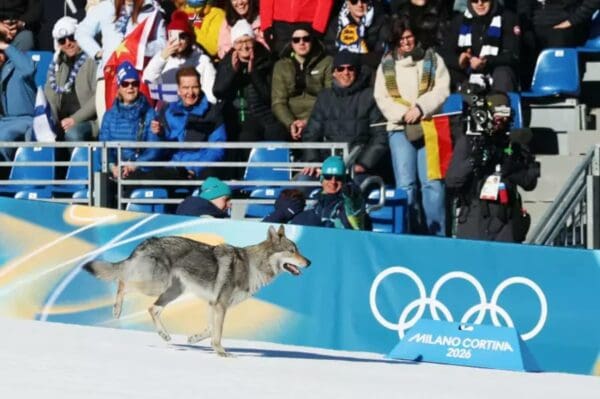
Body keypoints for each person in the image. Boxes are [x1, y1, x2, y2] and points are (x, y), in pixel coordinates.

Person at [373, 17, 450, 236]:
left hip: (428, 125)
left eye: (409, 37)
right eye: (401, 39)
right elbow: (382, 97)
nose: (406, 42)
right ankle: (408, 232)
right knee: (406, 185)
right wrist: (403, 114)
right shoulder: (386, 65)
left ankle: (437, 235)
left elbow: (441, 90)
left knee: (432, 184)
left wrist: (421, 107)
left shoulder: (432, 59)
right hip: (399, 128)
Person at [445, 91, 540, 242]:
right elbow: (452, 181)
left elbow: (530, 182)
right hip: (473, 214)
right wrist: (474, 160)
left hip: (505, 216)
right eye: (497, 115)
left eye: (504, 115)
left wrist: (508, 164)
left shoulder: (513, 143)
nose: (499, 121)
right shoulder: (469, 142)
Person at [301, 50, 388, 185]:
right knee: (300, 185)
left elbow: (380, 136)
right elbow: (311, 133)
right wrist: (313, 161)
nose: (345, 73)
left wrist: (364, 164)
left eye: (350, 68)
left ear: (357, 71)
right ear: (334, 72)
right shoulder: (325, 97)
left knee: (352, 192)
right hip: (327, 167)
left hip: (357, 168)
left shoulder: (370, 96)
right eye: (340, 69)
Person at [129, 66, 226, 182]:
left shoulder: (213, 113)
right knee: (135, 179)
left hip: (200, 171)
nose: (190, 92)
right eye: (186, 88)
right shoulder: (167, 110)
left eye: (194, 87)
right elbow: (157, 150)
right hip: (171, 169)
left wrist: (195, 169)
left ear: (200, 87)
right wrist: (160, 135)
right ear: (179, 90)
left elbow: (217, 150)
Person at [75, 0, 166, 123]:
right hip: (108, 75)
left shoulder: (151, 9)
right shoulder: (106, 7)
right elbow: (81, 32)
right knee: (109, 127)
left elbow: (162, 44)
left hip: (137, 79)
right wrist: (97, 53)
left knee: (138, 127)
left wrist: (140, 49)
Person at [214, 19, 287, 144]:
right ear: (233, 44)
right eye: (239, 42)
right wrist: (232, 71)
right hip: (237, 117)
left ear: (254, 41)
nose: (244, 46)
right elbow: (218, 92)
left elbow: (269, 96)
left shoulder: (267, 59)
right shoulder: (227, 61)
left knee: (276, 134)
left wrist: (253, 72)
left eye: (247, 41)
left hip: (265, 116)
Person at [99, 61, 161, 180]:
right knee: (99, 186)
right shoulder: (109, 116)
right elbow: (103, 148)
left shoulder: (150, 113)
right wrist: (113, 168)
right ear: (119, 86)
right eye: (125, 83)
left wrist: (134, 166)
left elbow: (154, 149)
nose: (130, 87)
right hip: (114, 173)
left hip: (140, 172)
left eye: (135, 83)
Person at [440, 0, 520, 92]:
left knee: (503, 73)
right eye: (474, 0)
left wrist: (487, 61)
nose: (480, 3)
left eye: (484, 0)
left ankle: (500, 103)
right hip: (467, 72)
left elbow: (513, 55)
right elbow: (444, 52)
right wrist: (459, 60)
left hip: (494, 70)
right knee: (447, 74)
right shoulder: (459, 20)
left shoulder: (508, 18)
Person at [271, 25, 333, 142]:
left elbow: (330, 99)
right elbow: (278, 102)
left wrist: (308, 121)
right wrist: (291, 123)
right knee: (274, 132)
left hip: (317, 117)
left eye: (306, 39)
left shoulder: (327, 62)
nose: (301, 43)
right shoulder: (281, 66)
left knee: (316, 132)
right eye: (296, 40)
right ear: (291, 43)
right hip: (291, 118)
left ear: (312, 40)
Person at [143, 9, 217, 104]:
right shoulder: (163, 56)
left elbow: (210, 93)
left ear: (189, 39)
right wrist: (162, 58)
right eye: (173, 36)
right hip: (166, 109)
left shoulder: (202, 60)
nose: (178, 41)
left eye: (182, 37)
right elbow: (147, 78)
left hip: (194, 109)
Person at [45, 17, 98, 142]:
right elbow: (50, 98)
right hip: (62, 121)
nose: (68, 43)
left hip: (88, 121)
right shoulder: (56, 64)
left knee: (73, 134)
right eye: (62, 40)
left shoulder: (92, 59)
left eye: (72, 37)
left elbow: (98, 99)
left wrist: (75, 119)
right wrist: (49, 121)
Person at [291, 155, 368, 230]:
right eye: (328, 177)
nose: (333, 182)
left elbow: (354, 201)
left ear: (344, 180)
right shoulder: (313, 202)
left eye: (338, 178)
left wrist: (350, 192)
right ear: (322, 178)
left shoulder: (350, 203)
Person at [324, 0, 390, 73]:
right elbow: (329, 50)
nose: (360, 5)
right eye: (354, 1)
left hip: (369, 71)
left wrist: (354, 58)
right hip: (342, 71)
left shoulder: (380, 21)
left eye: (364, 0)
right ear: (347, 3)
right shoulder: (337, 23)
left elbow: (382, 54)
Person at [0, 38, 36, 164]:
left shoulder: (16, 67)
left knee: (2, 138)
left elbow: (29, 68)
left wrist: (6, 47)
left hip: (24, 119)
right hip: (3, 121)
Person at [260, 0, 334, 57]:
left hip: (308, 22)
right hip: (280, 24)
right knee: (281, 64)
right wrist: (266, 24)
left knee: (309, 63)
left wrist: (319, 26)